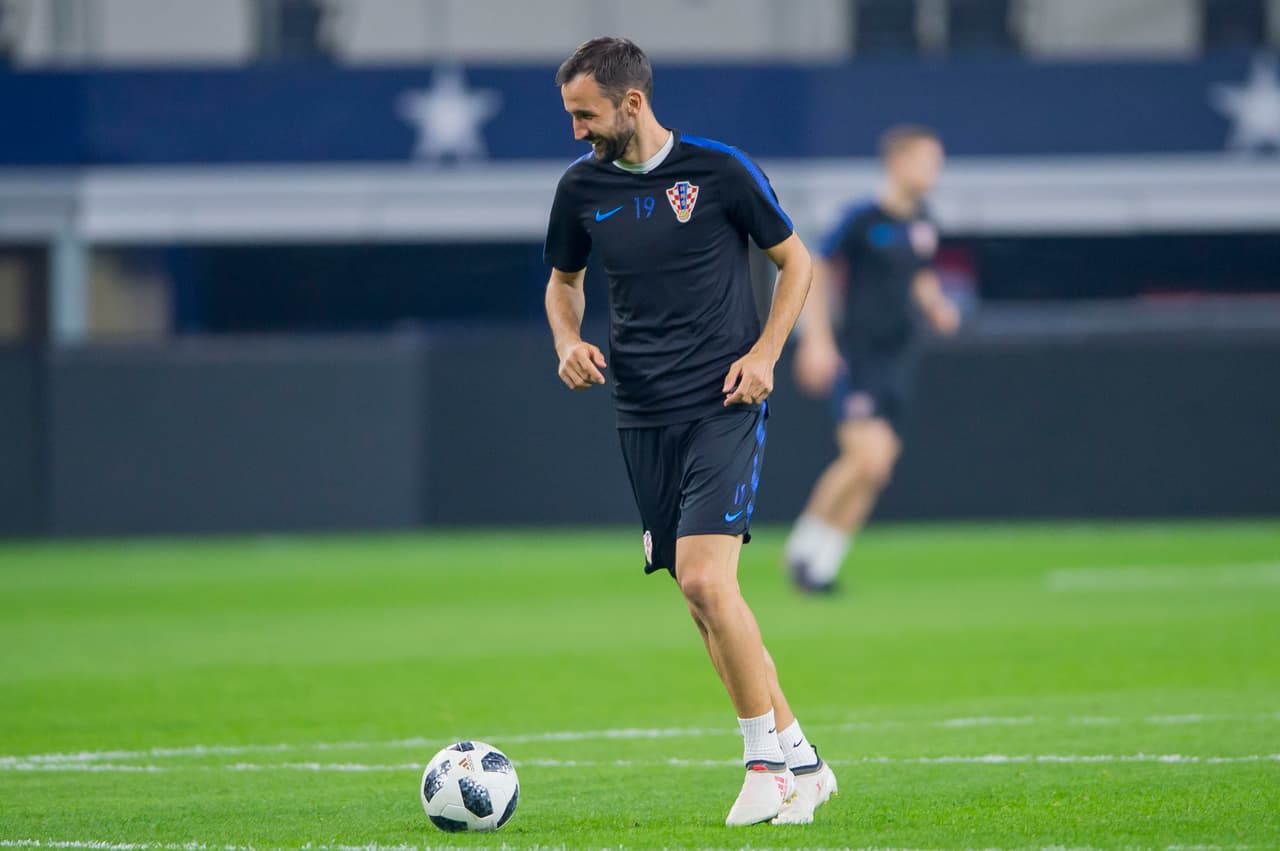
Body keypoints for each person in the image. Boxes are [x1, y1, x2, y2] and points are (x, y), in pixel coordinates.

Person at [542, 37, 836, 826]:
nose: (576, 130)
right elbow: (562, 282)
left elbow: (796, 262)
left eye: (585, 114)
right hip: (640, 412)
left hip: (723, 402)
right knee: (707, 602)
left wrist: (768, 353)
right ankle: (803, 756)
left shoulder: (720, 172)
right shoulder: (580, 189)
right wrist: (568, 341)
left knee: (709, 580)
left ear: (631, 104)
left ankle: (765, 767)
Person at [784, 126, 960, 593]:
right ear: (897, 164)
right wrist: (816, 340)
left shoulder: (923, 221)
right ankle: (802, 548)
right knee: (865, 460)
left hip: (901, 358)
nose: (933, 172)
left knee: (876, 470)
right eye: (926, 161)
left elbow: (918, 275)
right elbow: (816, 271)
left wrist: (937, 305)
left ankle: (820, 566)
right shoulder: (859, 219)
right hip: (858, 356)